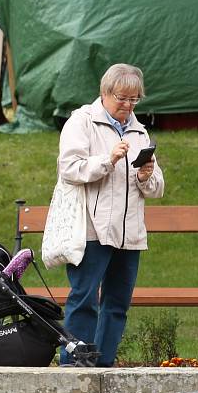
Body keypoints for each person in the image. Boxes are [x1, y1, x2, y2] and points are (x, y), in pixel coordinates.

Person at [57, 64, 164, 367]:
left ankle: (102, 367)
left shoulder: (139, 130)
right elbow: (69, 168)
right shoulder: (82, 122)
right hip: (92, 229)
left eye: (135, 100)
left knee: (117, 304)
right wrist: (108, 159)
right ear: (104, 92)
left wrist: (146, 175)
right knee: (84, 298)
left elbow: (156, 187)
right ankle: (74, 367)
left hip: (129, 233)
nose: (128, 106)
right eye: (122, 98)